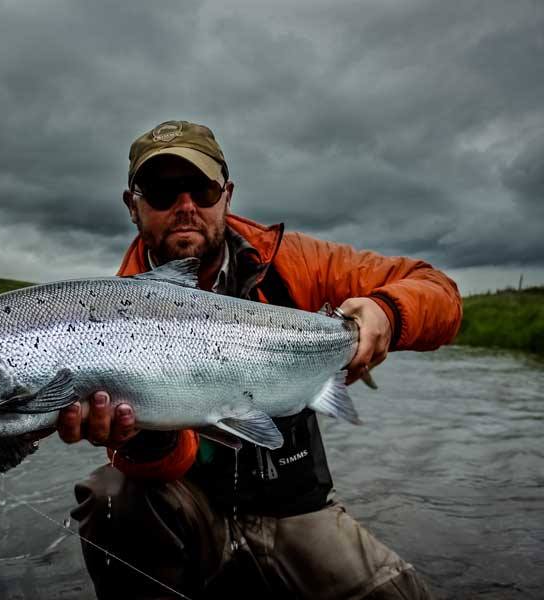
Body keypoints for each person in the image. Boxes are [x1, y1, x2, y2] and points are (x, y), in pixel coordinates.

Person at [55, 120, 462, 599]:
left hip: (294, 510)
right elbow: (162, 466)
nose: (185, 207)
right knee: (111, 497)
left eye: (202, 189)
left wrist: (386, 312)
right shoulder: (109, 313)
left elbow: (440, 294)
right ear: (133, 205)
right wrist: (142, 439)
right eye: (162, 192)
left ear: (226, 194)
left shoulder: (295, 263)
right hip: (190, 513)